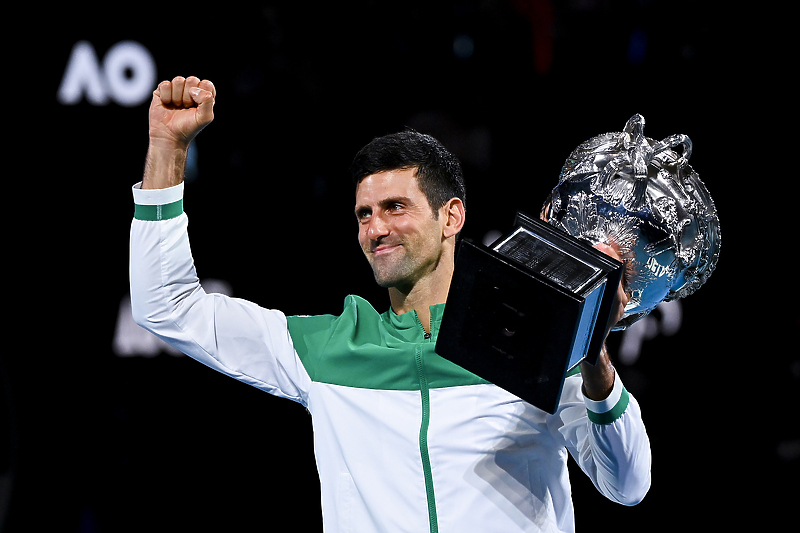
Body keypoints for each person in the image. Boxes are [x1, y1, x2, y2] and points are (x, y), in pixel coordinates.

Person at [130, 76, 651, 533]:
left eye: (395, 208)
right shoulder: (323, 351)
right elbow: (166, 306)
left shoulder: (534, 340)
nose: (375, 229)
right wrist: (167, 147)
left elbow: (627, 485)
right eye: (363, 214)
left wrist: (595, 359)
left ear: (452, 217)